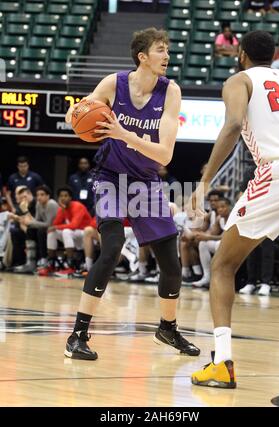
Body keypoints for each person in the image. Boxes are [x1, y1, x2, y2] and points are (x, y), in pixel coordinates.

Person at [64, 27, 200, 360]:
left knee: (171, 262)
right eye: (160, 50)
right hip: (110, 176)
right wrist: (78, 115)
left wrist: (121, 132)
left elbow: (165, 155)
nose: (167, 56)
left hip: (147, 181)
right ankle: (77, 336)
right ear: (142, 57)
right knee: (110, 248)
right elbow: (74, 114)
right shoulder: (114, 83)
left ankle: (167, 329)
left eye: (167, 50)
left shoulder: (171, 92)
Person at [190, 31, 279, 388]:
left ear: (241, 54)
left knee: (223, 265)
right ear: (276, 55)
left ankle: (221, 363)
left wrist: (205, 179)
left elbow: (234, 124)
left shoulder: (240, 79)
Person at [38, 186, 92, 278]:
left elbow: (74, 225)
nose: (63, 198)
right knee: (52, 232)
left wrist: (56, 227)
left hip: (86, 236)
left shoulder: (78, 206)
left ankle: (70, 266)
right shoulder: (62, 208)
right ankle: (51, 264)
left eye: (66, 196)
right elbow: (55, 224)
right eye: (61, 196)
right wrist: (62, 211)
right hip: (73, 236)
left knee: (66, 231)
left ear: (70, 198)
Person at [192, 198, 232, 288]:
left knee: (219, 244)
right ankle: (207, 276)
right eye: (218, 208)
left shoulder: (233, 218)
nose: (220, 209)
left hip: (234, 246)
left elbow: (226, 237)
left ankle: (220, 277)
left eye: (223, 207)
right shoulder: (219, 218)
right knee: (203, 243)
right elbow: (212, 232)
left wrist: (208, 237)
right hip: (223, 244)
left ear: (229, 207)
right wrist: (201, 235)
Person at [17, 185, 59, 270]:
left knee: (40, 231)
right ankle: (30, 261)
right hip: (45, 229)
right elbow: (36, 221)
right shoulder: (38, 204)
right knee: (31, 229)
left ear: (48, 196)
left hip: (56, 228)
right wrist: (28, 222)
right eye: (38, 195)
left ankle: (43, 259)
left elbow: (49, 224)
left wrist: (30, 222)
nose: (39, 197)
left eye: (42, 194)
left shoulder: (51, 204)